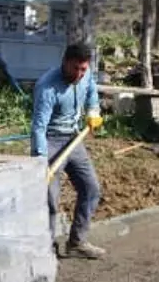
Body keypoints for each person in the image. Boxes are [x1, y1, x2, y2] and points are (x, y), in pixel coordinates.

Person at [32, 42, 106, 259]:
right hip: (50, 141)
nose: (80, 74)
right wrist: (40, 159)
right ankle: (45, 248)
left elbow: (92, 90)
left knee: (91, 189)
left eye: (83, 69)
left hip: (75, 139)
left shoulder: (86, 74)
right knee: (49, 200)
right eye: (75, 68)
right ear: (65, 62)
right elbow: (38, 126)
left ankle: (77, 242)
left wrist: (93, 110)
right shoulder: (47, 87)